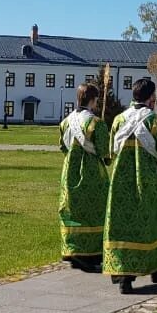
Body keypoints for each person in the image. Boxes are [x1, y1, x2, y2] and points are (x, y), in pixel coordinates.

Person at [104, 78, 157, 293]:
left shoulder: (119, 120)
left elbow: (112, 150)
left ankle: (123, 275)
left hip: (120, 183)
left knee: (122, 226)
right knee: (150, 224)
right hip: (147, 183)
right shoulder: (155, 122)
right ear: (151, 98)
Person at [58, 83, 110, 272]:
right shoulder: (96, 123)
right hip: (91, 173)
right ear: (94, 100)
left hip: (69, 171)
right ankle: (89, 254)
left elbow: (62, 147)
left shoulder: (65, 122)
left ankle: (72, 250)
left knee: (72, 209)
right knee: (92, 210)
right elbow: (105, 151)